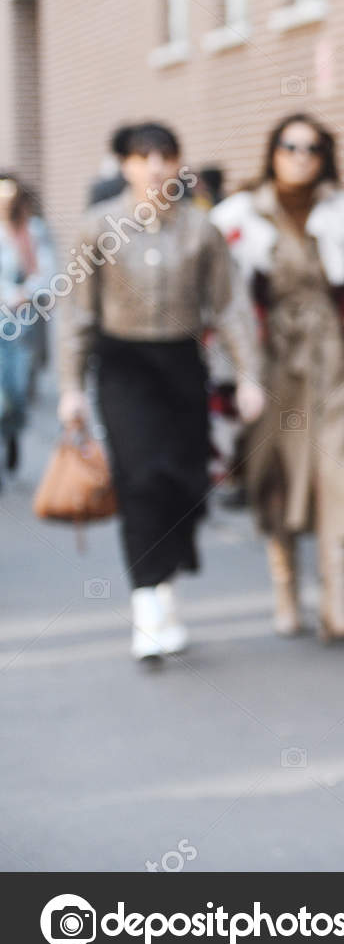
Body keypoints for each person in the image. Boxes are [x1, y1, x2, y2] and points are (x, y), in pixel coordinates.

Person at [56, 123, 265, 661]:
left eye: (164, 156)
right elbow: (78, 315)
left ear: (177, 164)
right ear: (123, 164)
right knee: (142, 476)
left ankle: (164, 584)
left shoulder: (202, 231)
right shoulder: (96, 228)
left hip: (181, 362)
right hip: (123, 364)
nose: (154, 166)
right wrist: (70, 388)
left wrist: (248, 376)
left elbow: (231, 306)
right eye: (141, 156)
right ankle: (147, 603)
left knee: (184, 481)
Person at [212, 113, 344, 641]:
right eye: (289, 146)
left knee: (336, 474)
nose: (300, 156)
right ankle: (285, 593)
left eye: (312, 148)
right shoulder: (241, 214)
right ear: (271, 151)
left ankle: (336, 604)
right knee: (276, 475)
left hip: (331, 361)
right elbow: (216, 289)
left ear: (325, 157)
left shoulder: (342, 211)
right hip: (269, 363)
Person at [0, 173, 56, 484]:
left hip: (20, 325)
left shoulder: (32, 232)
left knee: (17, 391)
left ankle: (11, 435)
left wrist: (24, 294)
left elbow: (46, 274)